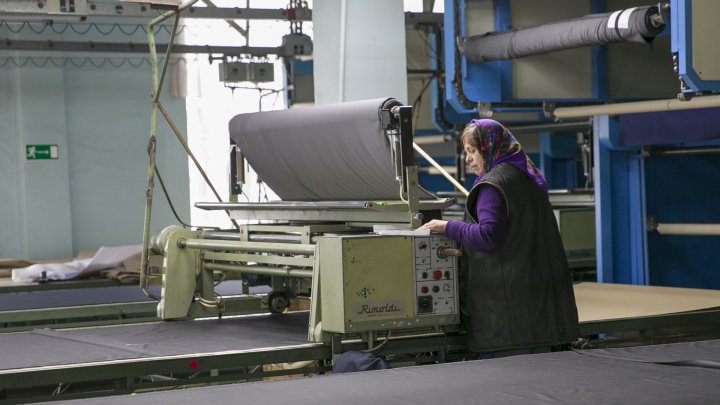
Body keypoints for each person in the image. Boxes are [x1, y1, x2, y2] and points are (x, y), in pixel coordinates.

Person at [418, 118, 579, 358]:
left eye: (472, 151)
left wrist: (448, 227)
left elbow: (489, 236)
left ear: (489, 148)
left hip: (506, 321)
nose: (468, 159)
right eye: (466, 152)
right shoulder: (528, 177)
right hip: (541, 310)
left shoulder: (492, 185)